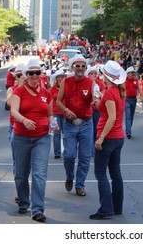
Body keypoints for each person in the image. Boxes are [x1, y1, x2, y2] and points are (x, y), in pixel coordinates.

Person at [10, 59, 54, 222]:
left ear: (41, 74)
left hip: (42, 137)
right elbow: (14, 111)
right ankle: (23, 201)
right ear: (26, 75)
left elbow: (49, 113)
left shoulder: (47, 93)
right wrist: (24, 120)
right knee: (20, 174)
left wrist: (53, 122)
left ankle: (37, 210)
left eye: (37, 73)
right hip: (21, 136)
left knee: (39, 174)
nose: (34, 76)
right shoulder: (19, 92)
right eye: (31, 73)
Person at [89, 61, 127, 220]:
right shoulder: (118, 91)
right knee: (115, 172)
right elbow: (112, 112)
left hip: (109, 136)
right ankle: (116, 206)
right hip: (118, 136)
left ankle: (106, 208)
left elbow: (111, 117)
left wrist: (101, 138)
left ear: (106, 75)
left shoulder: (111, 92)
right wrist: (98, 104)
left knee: (100, 173)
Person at [56, 54, 97, 197]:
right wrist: (65, 110)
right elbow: (58, 101)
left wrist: (96, 102)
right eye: (77, 65)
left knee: (85, 156)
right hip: (70, 124)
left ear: (86, 68)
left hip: (86, 123)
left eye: (83, 66)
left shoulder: (91, 83)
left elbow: (96, 98)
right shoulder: (65, 82)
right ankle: (69, 176)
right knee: (69, 155)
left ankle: (80, 185)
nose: (80, 68)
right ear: (73, 67)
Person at [50, 69, 67, 159]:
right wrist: (50, 115)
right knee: (57, 133)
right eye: (60, 77)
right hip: (56, 113)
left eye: (63, 76)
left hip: (65, 113)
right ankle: (57, 153)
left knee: (66, 133)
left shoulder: (67, 88)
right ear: (56, 79)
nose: (62, 78)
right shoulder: (52, 89)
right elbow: (50, 102)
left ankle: (67, 151)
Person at [124, 66, 141, 138]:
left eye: (133, 72)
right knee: (128, 116)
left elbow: (139, 88)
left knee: (131, 116)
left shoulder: (136, 80)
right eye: (131, 72)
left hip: (134, 100)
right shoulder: (124, 81)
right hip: (126, 100)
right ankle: (128, 132)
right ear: (127, 73)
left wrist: (141, 96)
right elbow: (121, 90)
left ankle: (128, 129)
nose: (133, 74)